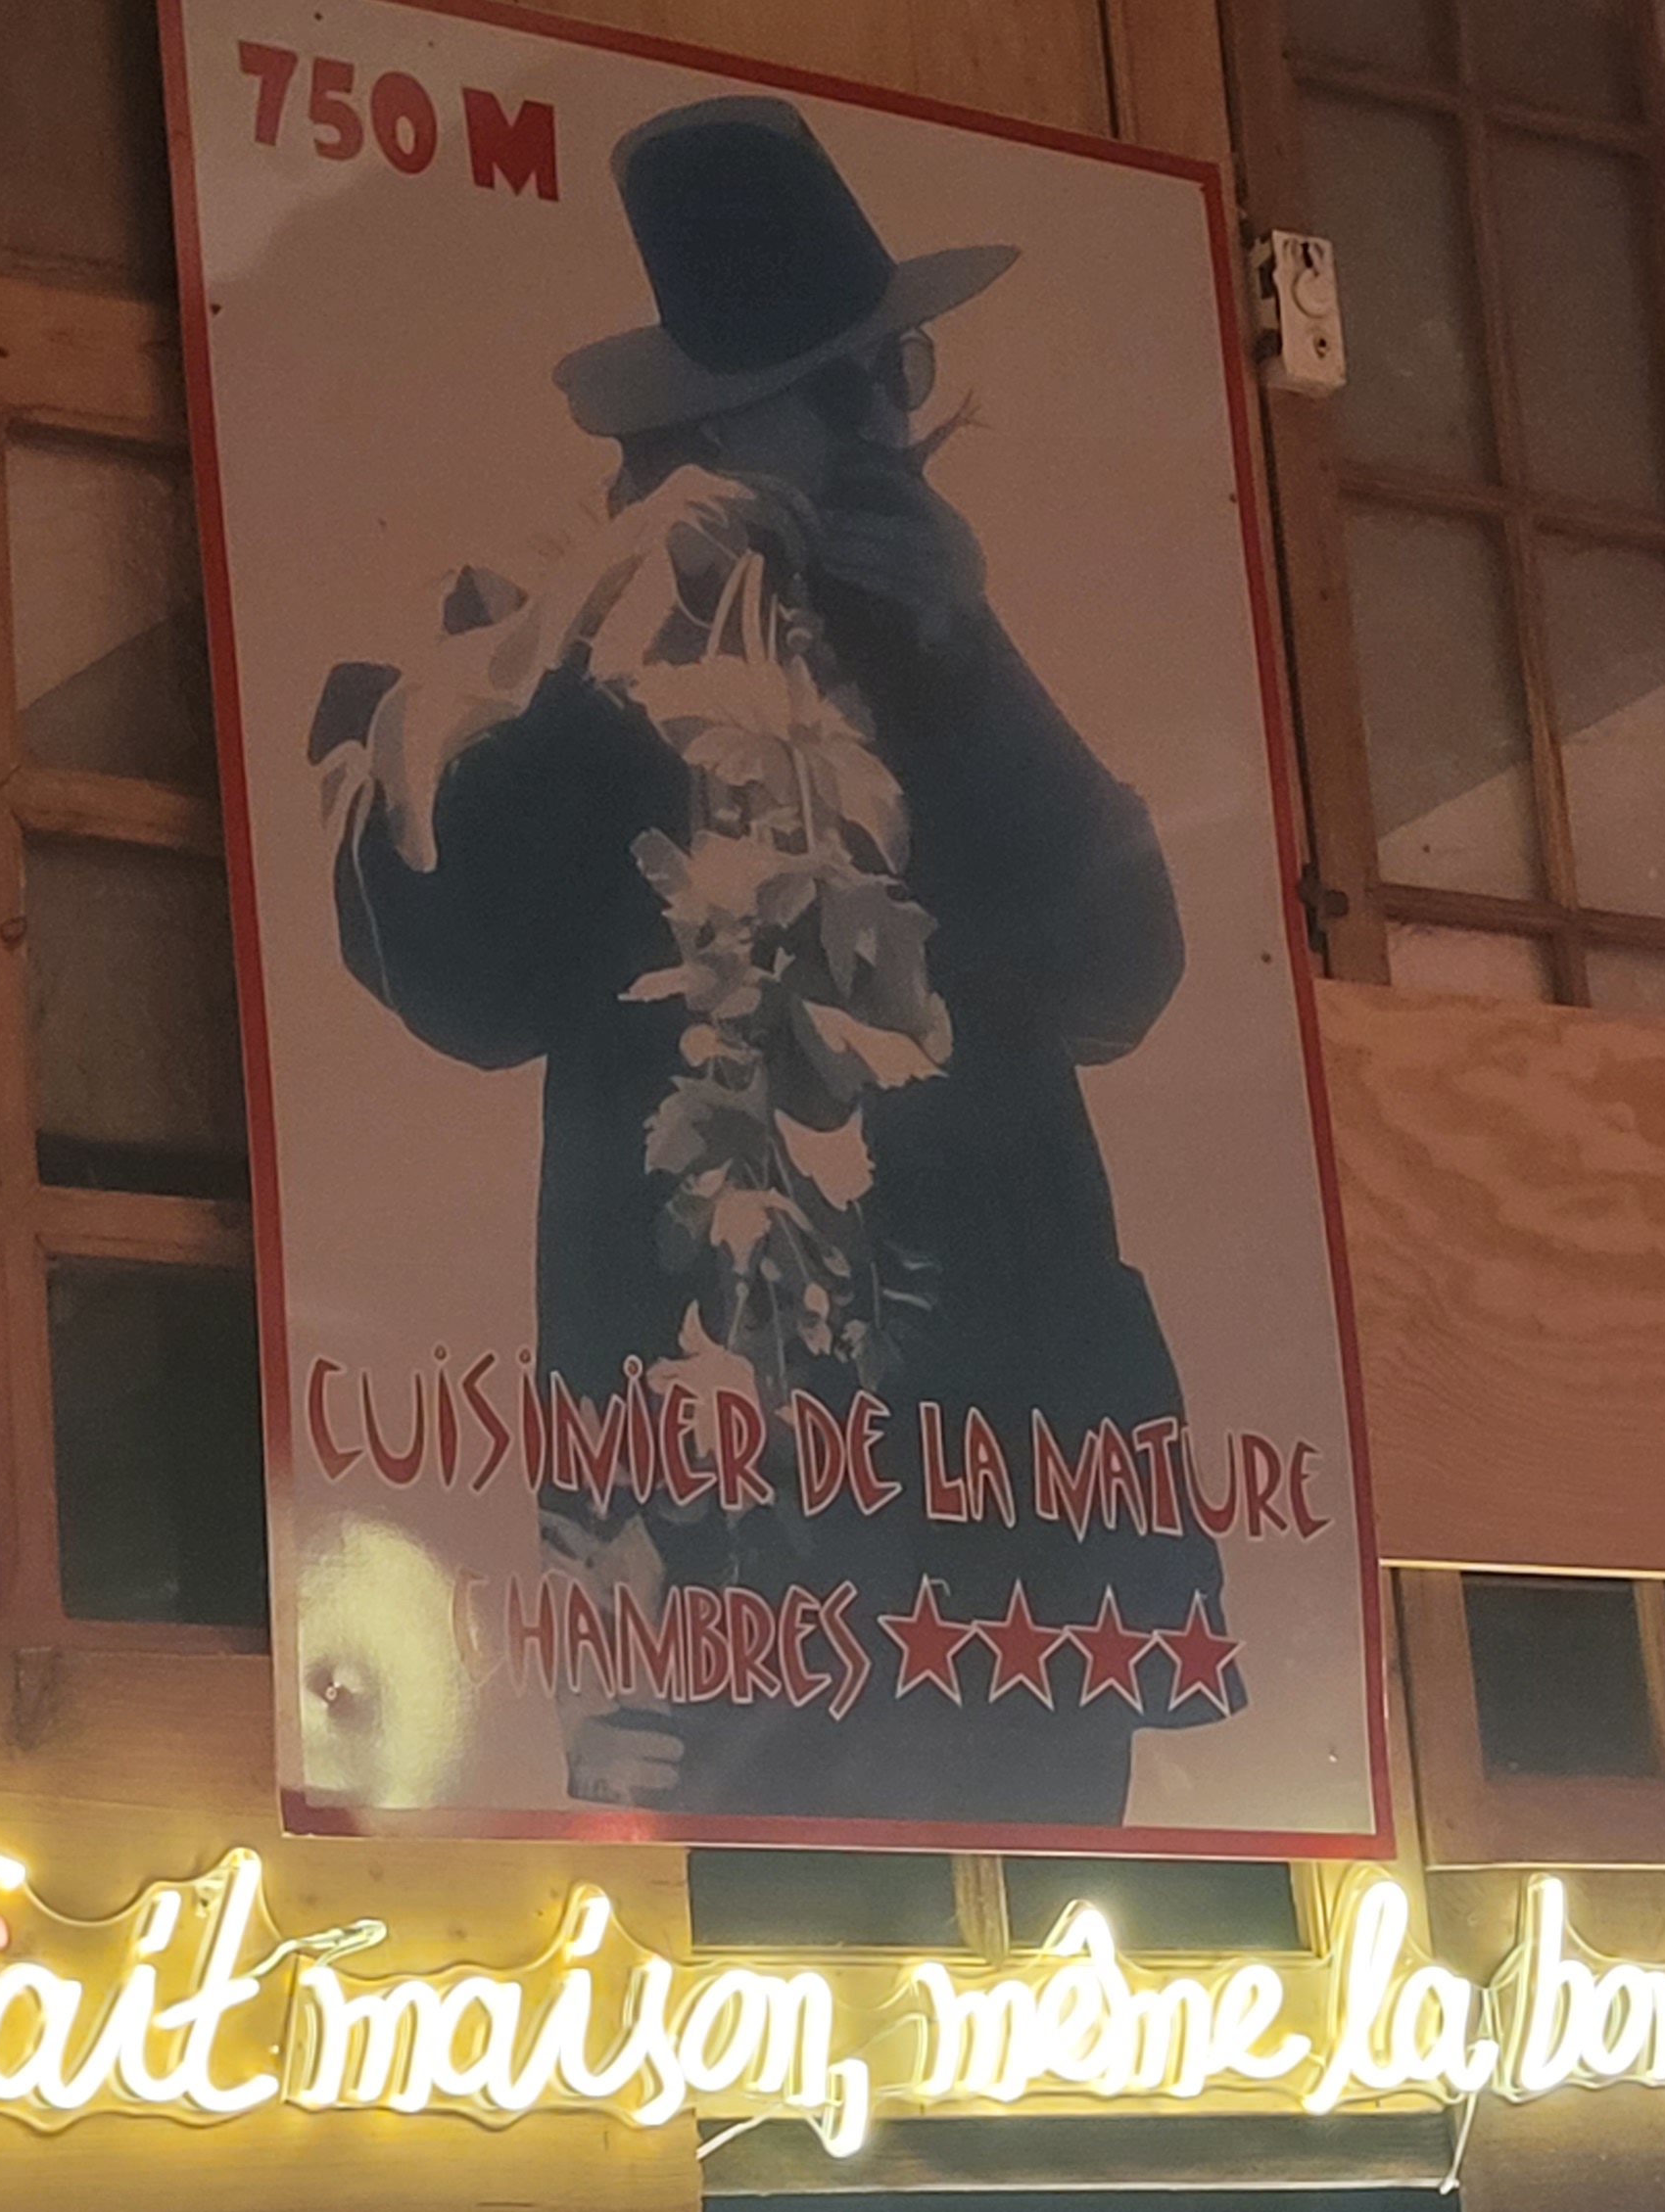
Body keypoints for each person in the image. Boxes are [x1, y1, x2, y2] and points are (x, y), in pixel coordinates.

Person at [309, 95, 1231, 1825]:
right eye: (861, 384)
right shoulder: (548, 656)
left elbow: (1126, 972)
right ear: (724, 430)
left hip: (1013, 1521)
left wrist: (966, 658)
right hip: (715, 1535)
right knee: (728, 1955)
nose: (899, 419)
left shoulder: (945, 645)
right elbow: (459, 987)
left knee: (1052, 1952)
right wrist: (599, 653)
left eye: (901, 372)